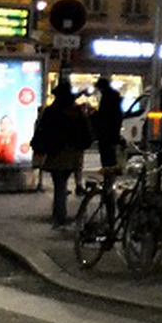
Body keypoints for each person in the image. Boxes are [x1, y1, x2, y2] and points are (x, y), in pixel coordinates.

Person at [31, 83, 92, 228]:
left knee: (59, 184)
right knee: (62, 183)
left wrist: (40, 146)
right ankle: (61, 214)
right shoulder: (77, 112)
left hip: (56, 153)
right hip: (73, 153)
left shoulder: (52, 111)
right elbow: (87, 133)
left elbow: (43, 130)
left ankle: (59, 215)